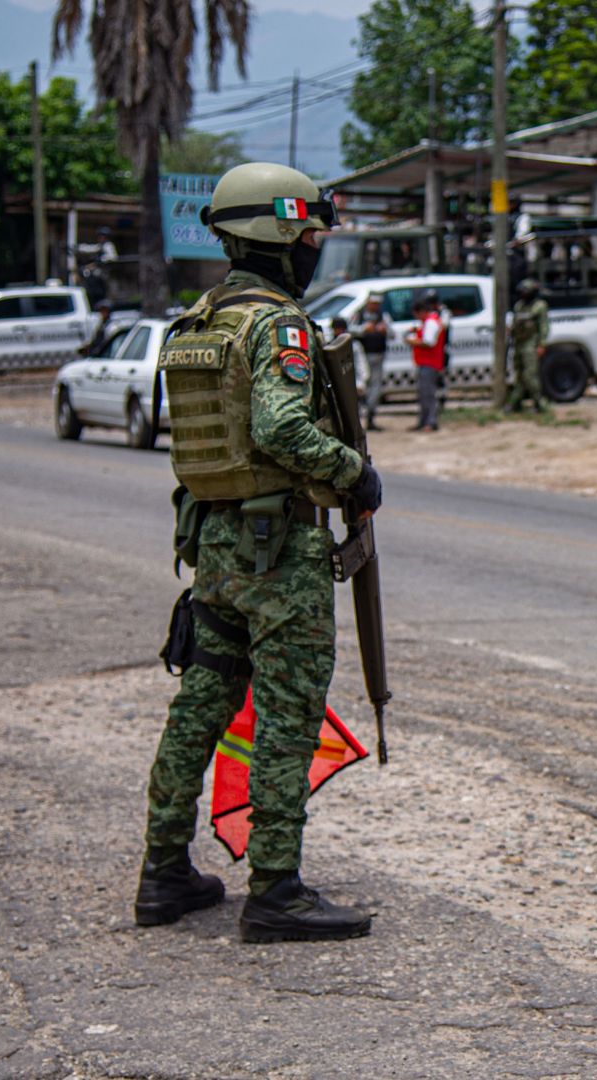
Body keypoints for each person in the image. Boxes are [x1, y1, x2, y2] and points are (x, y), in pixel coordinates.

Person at [143, 161, 381, 942]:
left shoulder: (200, 320)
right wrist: (355, 472)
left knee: (203, 703)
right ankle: (276, 888)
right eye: (311, 234)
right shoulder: (276, 325)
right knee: (287, 715)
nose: (317, 248)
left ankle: (164, 872)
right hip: (280, 551)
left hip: (214, 544)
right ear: (281, 236)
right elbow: (282, 430)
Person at [504, 278, 550, 414]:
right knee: (518, 376)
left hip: (531, 344)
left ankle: (540, 403)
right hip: (519, 343)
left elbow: (544, 327)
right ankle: (515, 403)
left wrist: (541, 344)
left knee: (530, 376)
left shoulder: (539, 306)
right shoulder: (519, 306)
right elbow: (515, 324)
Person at [406, 294, 446, 432]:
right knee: (424, 394)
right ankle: (424, 421)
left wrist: (412, 341)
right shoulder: (428, 322)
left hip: (430, 363)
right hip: (426, 362)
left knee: (428, 394)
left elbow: (428, 342)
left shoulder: (431, 322)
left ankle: (430, 422)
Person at [356, 295, 390, 432]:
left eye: (377, 304)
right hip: (362, 357)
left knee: (375, 388)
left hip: (378, 355)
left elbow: (393, 333)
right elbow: (350, 330)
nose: (375, 306)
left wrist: (384, 329)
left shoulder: (384, 316)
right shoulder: (359, 315)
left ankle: (371, 417)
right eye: (373, 303)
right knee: (361, 386)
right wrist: (364, 329)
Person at [78, 226, 117, 307]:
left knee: (95, 282)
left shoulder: (108, 245)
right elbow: (91, 248)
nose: (100, 238)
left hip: (103, 272)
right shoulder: (100, 246)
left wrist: (100, 260)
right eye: (99, 236)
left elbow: (112, 257)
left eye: (102, 236)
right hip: (97, 271)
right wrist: (79, 247)